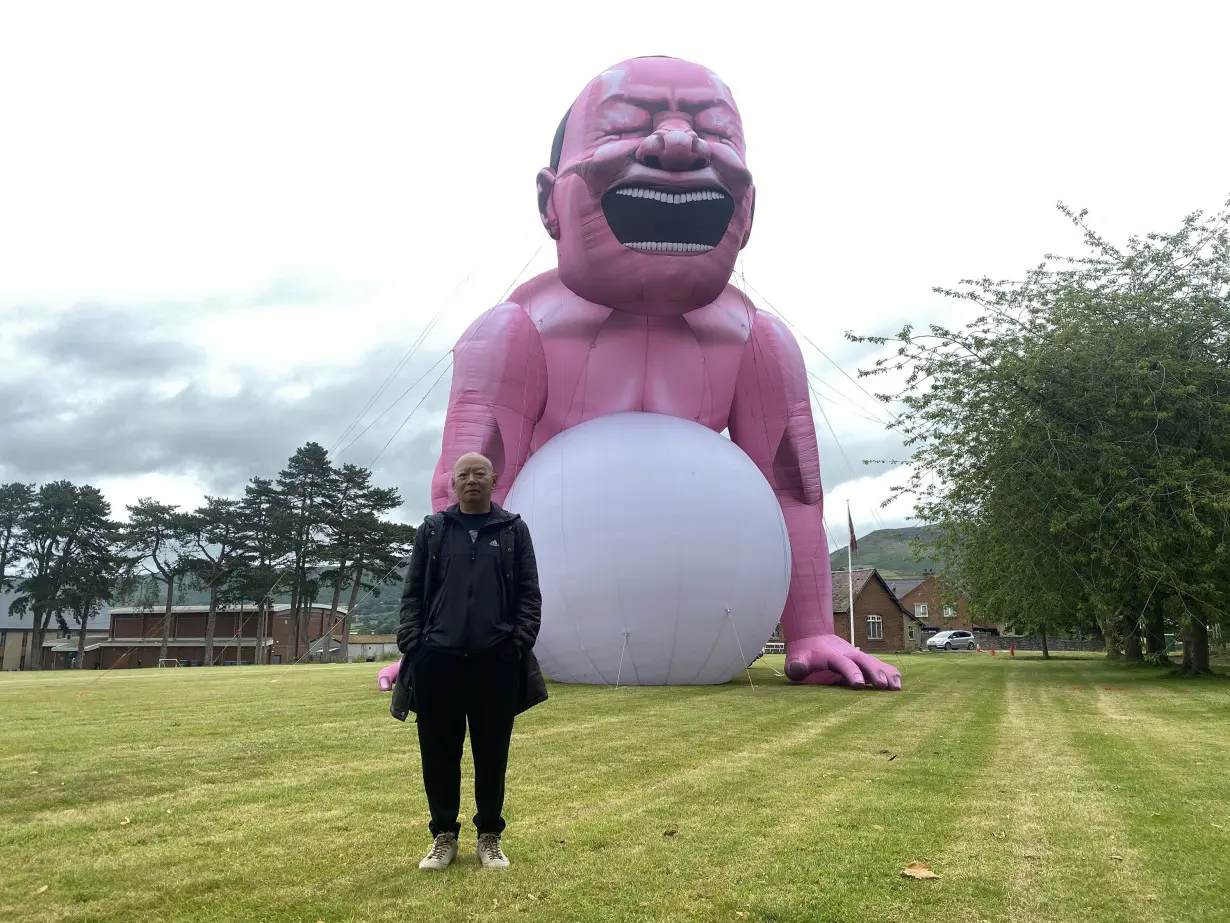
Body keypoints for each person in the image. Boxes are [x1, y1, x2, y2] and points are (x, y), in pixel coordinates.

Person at [394, 452, 546, 871]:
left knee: (491, 753)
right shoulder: (433, 531)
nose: (472, 480)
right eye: (464, 474)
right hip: (437, 660)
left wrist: (517, 642)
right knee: (439, 753)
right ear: (453, 483)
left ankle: (489, 837)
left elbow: (529, 594)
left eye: (480, 473)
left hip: (495, 662)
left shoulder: (513, 530)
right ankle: (444, 836)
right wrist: (414, 643)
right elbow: (412, 594)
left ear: (494, 479)